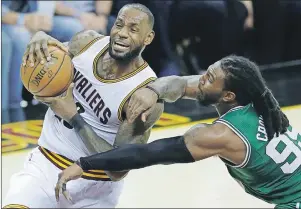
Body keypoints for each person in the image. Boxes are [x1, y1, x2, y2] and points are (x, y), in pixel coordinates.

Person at [55, 55, 301, 209]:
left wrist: (84, 163)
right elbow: (181, 84)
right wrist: (152, 90)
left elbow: (148, 154)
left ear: (228, 96)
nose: (201, 79)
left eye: (209, 78)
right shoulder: (256, 100)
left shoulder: (220, 136)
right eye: (207, 70)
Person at [3, 3, 164, 208]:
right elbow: (49, 66)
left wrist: (74, 117)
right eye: (119, 25)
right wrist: (40, 41)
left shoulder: (145, 96)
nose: (122, 33)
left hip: (96, 187)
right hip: (45, 167)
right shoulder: (86, 43)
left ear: (148, 38)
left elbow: (118, 169)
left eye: (133, 29)